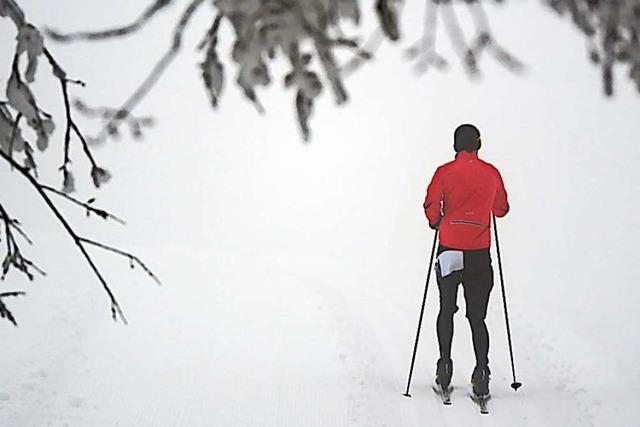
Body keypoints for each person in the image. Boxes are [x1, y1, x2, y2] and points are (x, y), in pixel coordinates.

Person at [423, 124, 509, 397]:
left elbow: (430, 204)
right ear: (478, 145)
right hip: (478, 254)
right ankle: (482, 371)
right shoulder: (491, 173)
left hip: (449, 249)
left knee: (446, 309)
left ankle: (444, 366)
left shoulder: (444, 172)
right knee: (476, 316)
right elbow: (502, 209)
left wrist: (436, 221)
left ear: (455, 145)